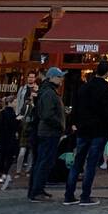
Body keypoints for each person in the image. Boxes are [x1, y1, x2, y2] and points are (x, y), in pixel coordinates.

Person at [63, 58, 108, 206]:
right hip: (98, 131)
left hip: (83, 130)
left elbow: (76, 107)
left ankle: (69, 194)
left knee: (78, 161)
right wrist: (107, 128)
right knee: (91, 164)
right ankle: (85, 195)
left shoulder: (84, 88)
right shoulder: (105, 90)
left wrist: (75, 123)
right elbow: (107, 112)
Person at [29, 68, 67, 200]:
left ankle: (37, 189)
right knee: (44, 161)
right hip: (49, 132)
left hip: (48, 131)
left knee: (43, 161)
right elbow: (47, 114)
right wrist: (60, 124)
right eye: (59, 77)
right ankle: (37, 190)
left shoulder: (47, 91)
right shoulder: (49, 93)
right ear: (51, 78)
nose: (61, 79)